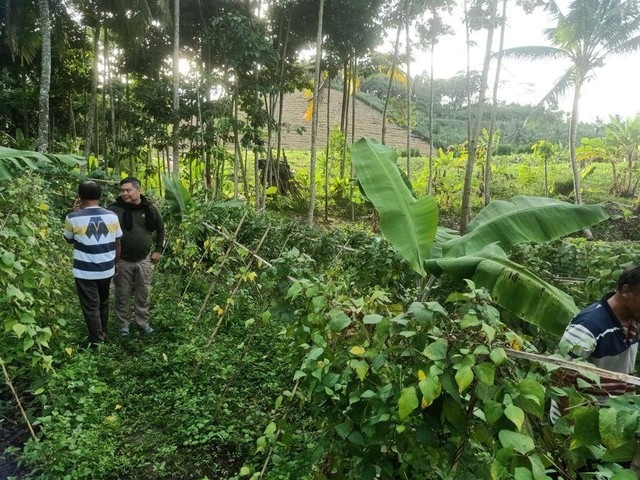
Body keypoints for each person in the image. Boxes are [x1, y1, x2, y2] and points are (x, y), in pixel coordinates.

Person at [550, 264, 640, 423]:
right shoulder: (588, 326)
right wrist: (570, 427)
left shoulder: (633, 320)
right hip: (582, 424)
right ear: (626, 291)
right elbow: (559, 378)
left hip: (613, 420)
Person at [64, 181, 122, 346]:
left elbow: (68, 240)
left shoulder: (73, 217)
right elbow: (118, 242)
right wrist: (116, 263)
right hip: (106, 268)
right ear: (100, 195)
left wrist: (76, 212)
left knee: (90, 307)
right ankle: (103, 334)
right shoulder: (112, 216)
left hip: (85, 271)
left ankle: (97, 343)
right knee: (103, 303)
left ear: (80, 197)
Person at [109, 177, 165, 336]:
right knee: (122, 293)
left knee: (143, 293)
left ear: (138, 190)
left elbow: (160, 228)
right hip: (122, 260)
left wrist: (158, 250)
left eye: (128, 190)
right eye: (122, 190)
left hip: (144, 259)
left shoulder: (150, 208)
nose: (124, 193)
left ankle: (143, 323)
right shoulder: (114, 209)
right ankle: (124, 326)